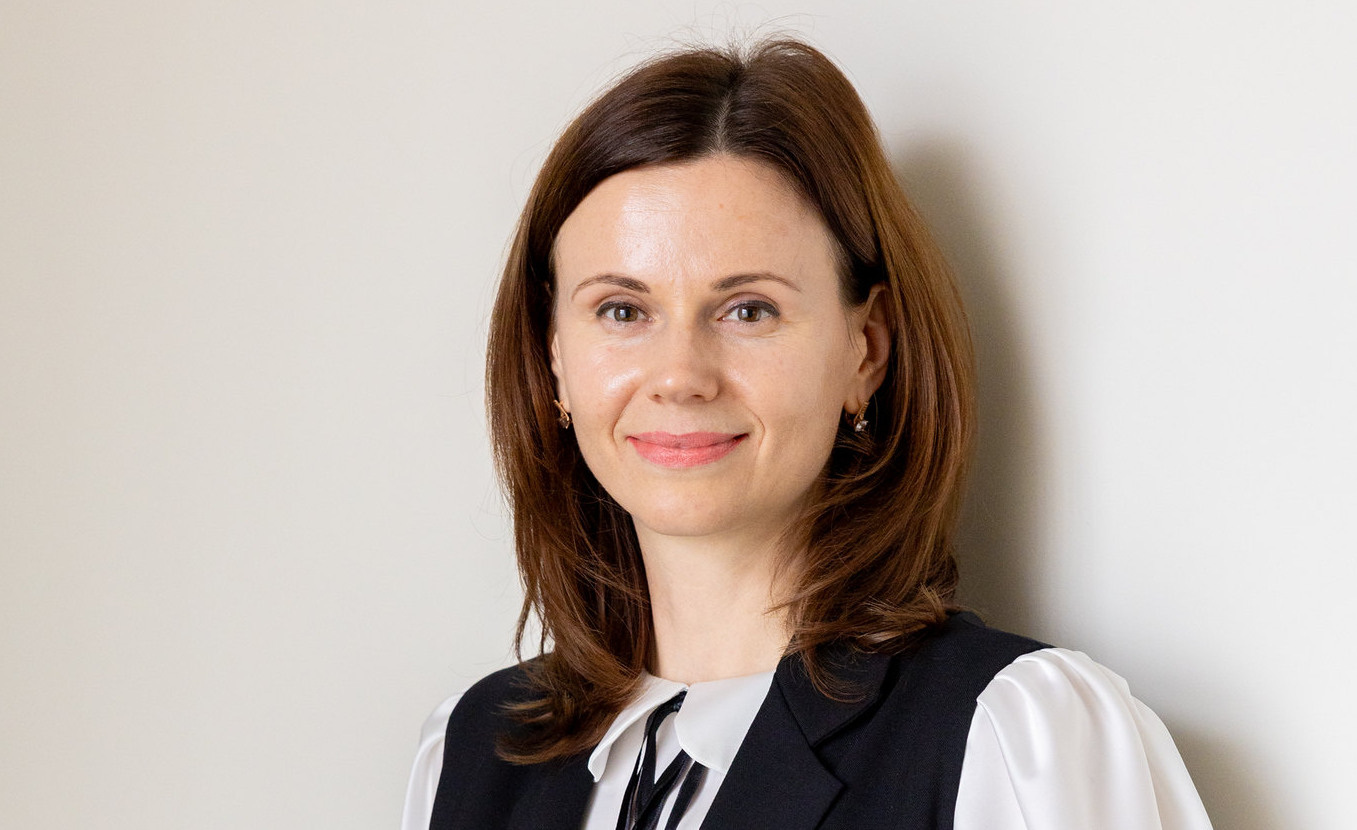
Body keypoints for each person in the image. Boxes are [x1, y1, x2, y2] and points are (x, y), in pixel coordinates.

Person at [402, 38, 1213, 830]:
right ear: (553, 357)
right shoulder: (471, 754)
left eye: (747, 310)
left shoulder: (1014, 736)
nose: (679, 375)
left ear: (866, 350)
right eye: (621, 310)